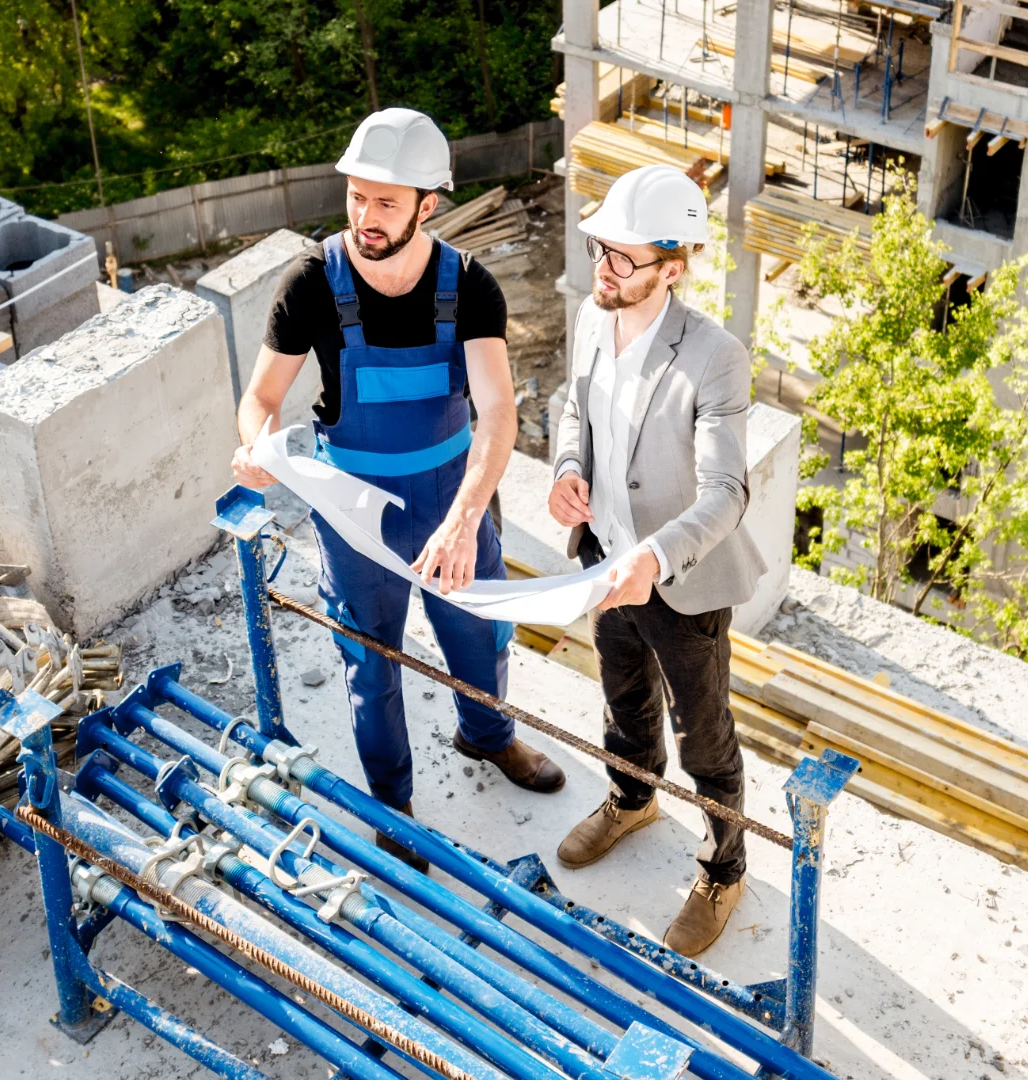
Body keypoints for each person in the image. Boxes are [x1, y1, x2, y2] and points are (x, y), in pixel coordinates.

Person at [232, 108, 565, 873]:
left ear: (428, 204)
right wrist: (254, 444)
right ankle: (394, 801)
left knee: (478, 632)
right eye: (356, 196)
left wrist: (463, 520)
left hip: (455, 494)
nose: (366, 216)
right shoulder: (312, 283)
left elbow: (500, 413)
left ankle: (488, 737)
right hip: (353, 509)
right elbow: (260, 397)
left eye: (387, 202)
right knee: (369, 658)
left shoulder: (469, 287)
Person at [547, 163, 767, 956]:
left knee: (705, 734)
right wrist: (567, 468)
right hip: (604, 560)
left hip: (682, 582)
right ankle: (632, 796)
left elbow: (726, 491)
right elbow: (573, 406)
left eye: (622, 259)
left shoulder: (714, 356)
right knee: (621, 696)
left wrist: (656, 555)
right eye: (599, 250)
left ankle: (722, 866)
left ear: (672, 268)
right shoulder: (590, 316)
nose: (602, 270)